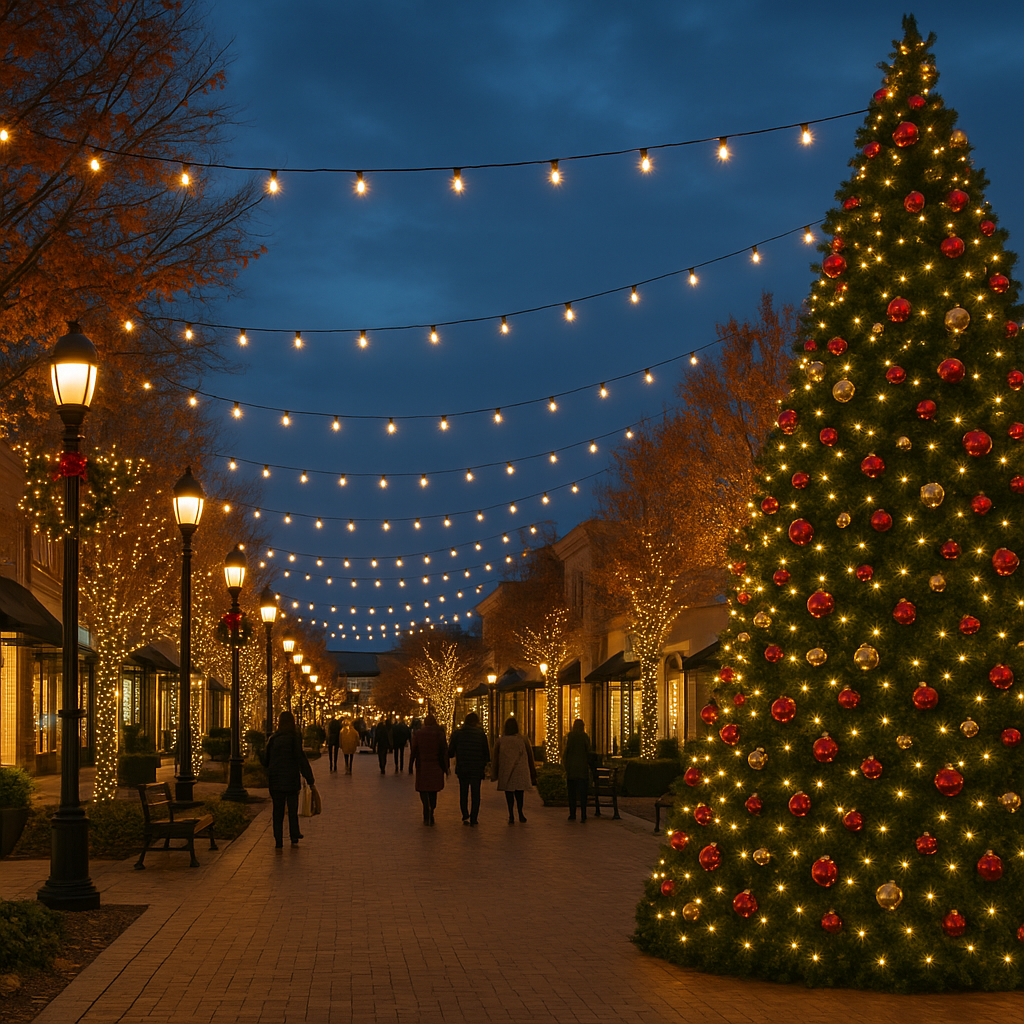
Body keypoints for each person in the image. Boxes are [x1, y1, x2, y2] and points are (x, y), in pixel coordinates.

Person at [260, 710, 315, 848]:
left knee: (277, 811)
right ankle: (294, 835)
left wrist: (261, 756)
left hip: (276, 781)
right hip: (291, 780)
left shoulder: (273, 739)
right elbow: (301, 759)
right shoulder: (294, 738)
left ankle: (278, 840)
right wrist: (310, 779)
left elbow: (266, 761)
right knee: (292, 809)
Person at [448, 711, 490, 825]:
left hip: (463, 767)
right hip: (476, 767)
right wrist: (483, 764)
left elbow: (450, 752)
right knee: (476, 793)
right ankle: (474, 817)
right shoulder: (481, 734)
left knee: (463, 792)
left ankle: (465, 814)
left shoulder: (458, 734)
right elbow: (486, 753)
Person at [491, 716, 536, 824]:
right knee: (519, 793)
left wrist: (494, 773)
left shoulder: (501, 741)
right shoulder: (523, 739)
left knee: (509, 793)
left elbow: (495, 758)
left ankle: (511, 814)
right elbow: (530, 756)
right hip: (520, 769)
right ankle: (520, 813)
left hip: (506, 770)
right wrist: (532, 771)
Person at [409, 713, 449, 824]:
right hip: (436, 765)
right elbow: (444, 751)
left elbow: (414, 750)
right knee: (433, 790)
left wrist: (410, 765)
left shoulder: (419, 734)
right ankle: (432, 807)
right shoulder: (439, 734)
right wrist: (446, 767)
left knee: (423, 788)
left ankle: (426, 808)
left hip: (422, 765)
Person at [562, 718, 592, 822]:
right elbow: (588, 750)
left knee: (572, 793)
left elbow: (567, 750)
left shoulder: (570, 736)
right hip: (582, 770)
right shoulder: (585, 737)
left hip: (572, 770)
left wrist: (565, 764)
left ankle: (572, 814)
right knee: (583, 794)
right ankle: (583, 815)